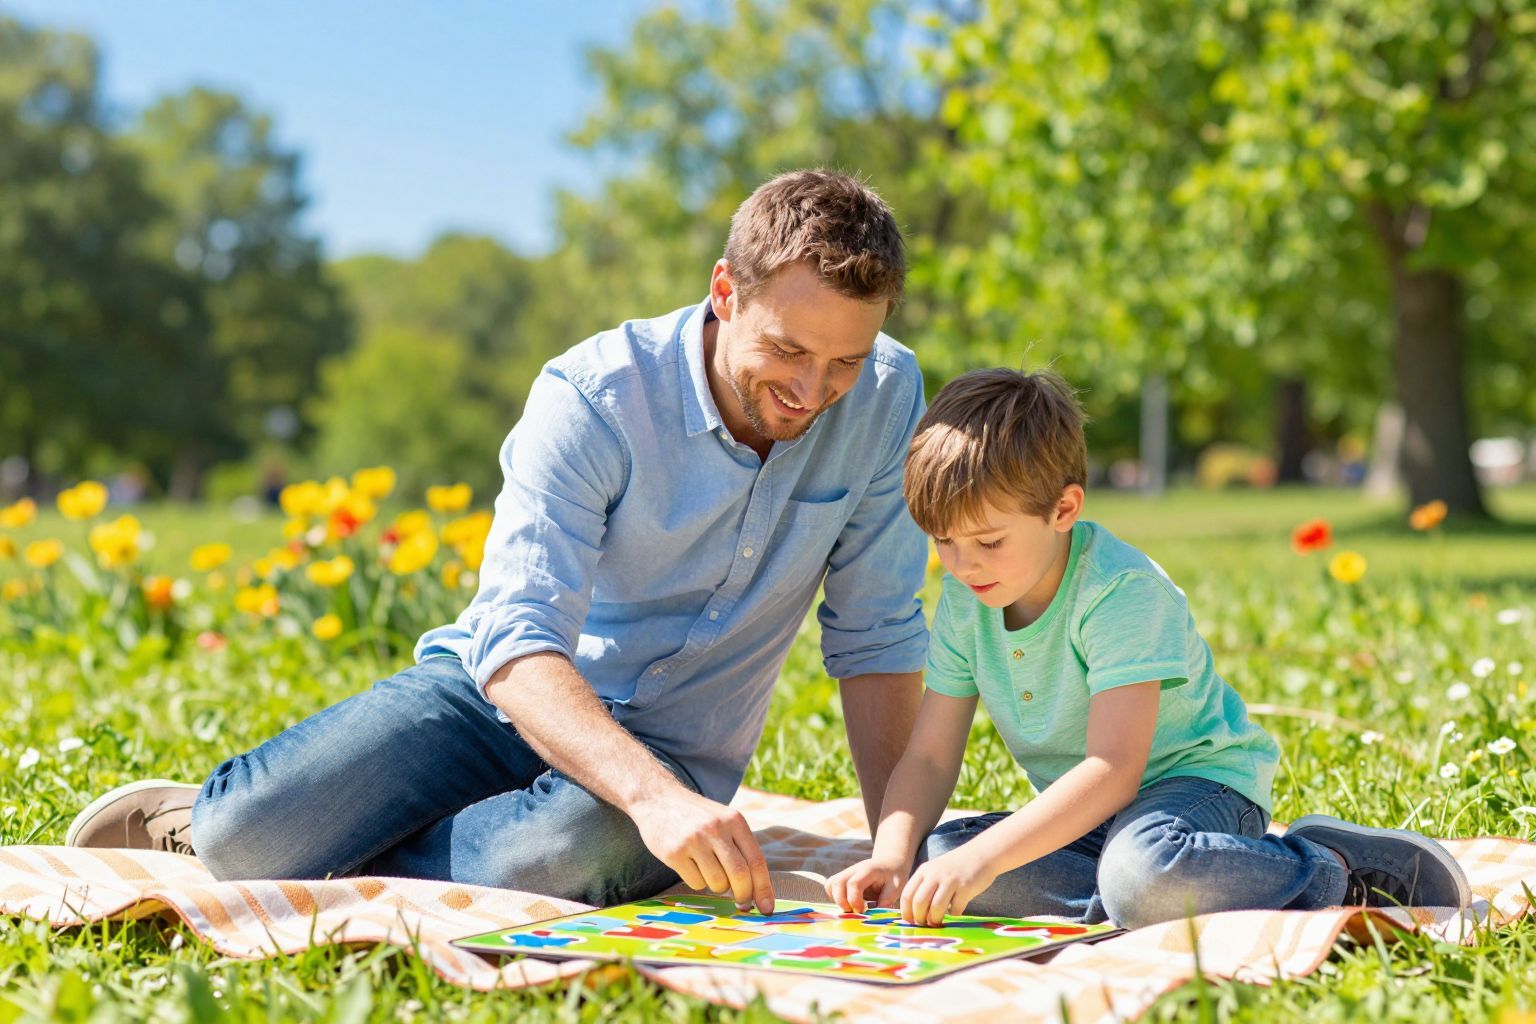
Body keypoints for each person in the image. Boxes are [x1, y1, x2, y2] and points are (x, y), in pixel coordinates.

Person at [67, 170, 931, 915]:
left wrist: (896, 846)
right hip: (496, 699)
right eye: (786, 350)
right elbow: (517, 638)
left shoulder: (886, 396)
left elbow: (877, 636)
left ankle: (352, 844)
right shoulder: (593, 398)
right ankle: (248, 827)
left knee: (555, 858)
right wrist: (653, 805)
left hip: (672, 751)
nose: (815, 390)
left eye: (845, 363)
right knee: (244, 838)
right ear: (725, 291)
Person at [826, 368, 1471, 928]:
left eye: (989, 542)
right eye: (944, 543)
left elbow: (1114, 768)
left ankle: (1327, 869)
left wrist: (991, 856)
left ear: (1063, 509)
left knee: (1139, 873)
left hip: (1197, 789)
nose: (963, 566)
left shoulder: (1119, 590)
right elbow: (931, 754)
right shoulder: (970, 599)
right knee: (935, 860)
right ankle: (1156, 893)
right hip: (1096, 825)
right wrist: (890, 856)